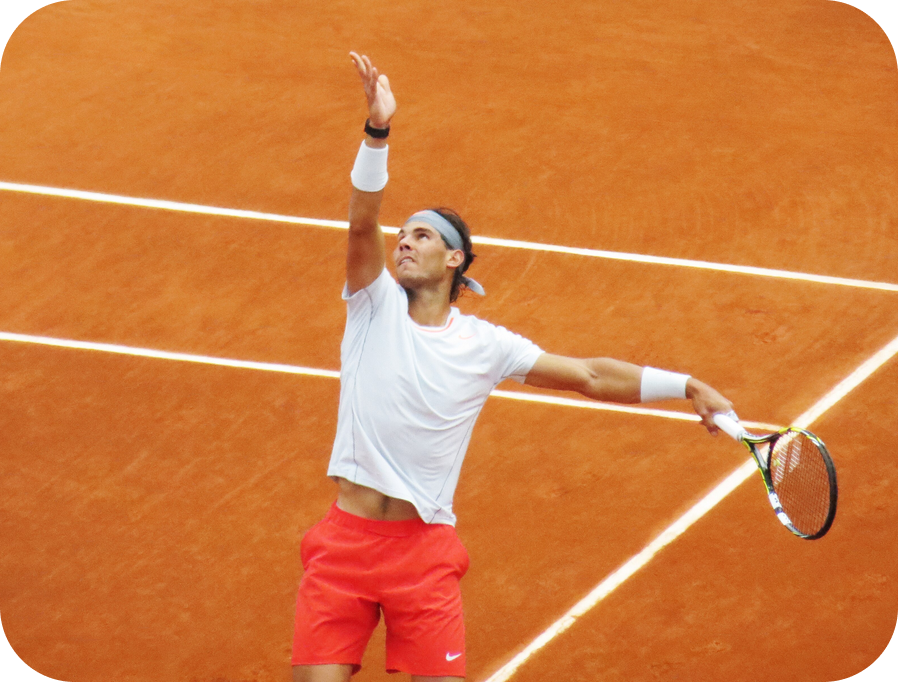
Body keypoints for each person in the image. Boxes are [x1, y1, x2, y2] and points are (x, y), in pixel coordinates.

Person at [291, 52, 734, 682]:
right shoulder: (372, 306)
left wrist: (685, 385)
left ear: (454, 261)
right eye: (405, 234)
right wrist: (378, 129)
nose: (405, 241)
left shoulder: (486, 345)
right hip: (344, 545)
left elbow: (588, 375)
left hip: (424, 555)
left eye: (422, 235)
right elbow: (363, 222)